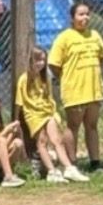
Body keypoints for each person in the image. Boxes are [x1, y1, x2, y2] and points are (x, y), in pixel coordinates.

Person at [48, 2, 103, 170]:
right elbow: (54, 64)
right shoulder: (64, 37)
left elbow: (102, 58)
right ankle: (71, 163)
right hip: (74, 90)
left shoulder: (95, 35)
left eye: (87, 14)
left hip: (94, 89)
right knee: (73, 126)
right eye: (81, 14)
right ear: (72, 18)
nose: (85, 18)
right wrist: (67, 77)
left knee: (92, 125)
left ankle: (95, 162)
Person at [16, 46, 87, 183]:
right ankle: (52, 171)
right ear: (31, 60)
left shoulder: (45, 78)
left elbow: (49, 97)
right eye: (38, 60)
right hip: (34, 115)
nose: (41, 63)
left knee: (57, 140)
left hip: (48, 112)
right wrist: (15, 119)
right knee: (42, 141)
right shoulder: (24, 79)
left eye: (43, 60)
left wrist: (54, 112)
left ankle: (69, 168)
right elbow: (19, 102)